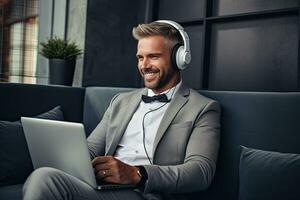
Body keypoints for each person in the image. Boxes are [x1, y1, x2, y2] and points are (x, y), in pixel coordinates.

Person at [23, 20, 220, 200]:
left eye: (153, 56)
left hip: (147, 193)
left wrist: (137, 174)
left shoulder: (202, 108)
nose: (144, 65)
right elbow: (90, 150)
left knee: (44, 179)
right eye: (140, 57)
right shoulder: (121, 101)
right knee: (43, 176)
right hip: (106, 188)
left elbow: (200, 172)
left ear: (180, 58)